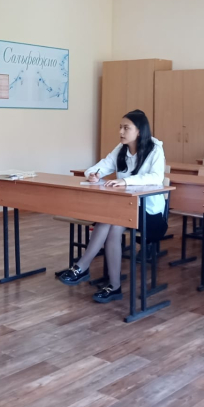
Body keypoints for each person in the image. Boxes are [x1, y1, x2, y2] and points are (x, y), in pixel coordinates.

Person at [59, 109, 167, 303]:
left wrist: (125, 181)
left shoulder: (155, 150)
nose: (121, 132)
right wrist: (94, 175)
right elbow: (100, 166)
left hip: (150, 213)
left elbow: (156, 178)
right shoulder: (121, 149)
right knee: (111, 220)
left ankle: (83, 267)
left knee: (113, 220)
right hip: (125, 208)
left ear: (139, 131)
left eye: (126, 128)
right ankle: (112, 285)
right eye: (120, 127)